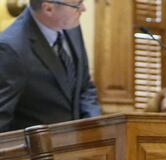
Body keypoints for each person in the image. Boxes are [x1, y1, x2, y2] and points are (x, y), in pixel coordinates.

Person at [0, 0, 100, 133]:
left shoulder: (71, 24)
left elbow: (84, 85)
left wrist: (94, 129)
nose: (83, 9)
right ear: (48, 9)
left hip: (79, 145)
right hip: (40, 150)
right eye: (77, 4)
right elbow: (2, 118)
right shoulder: (11, 48)